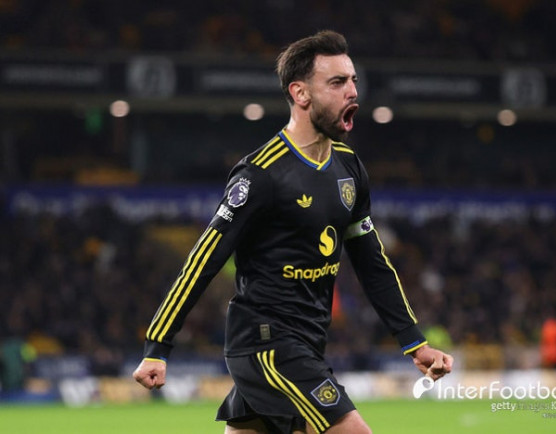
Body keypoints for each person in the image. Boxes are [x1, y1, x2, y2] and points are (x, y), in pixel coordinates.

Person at [133, 30, 453, 434]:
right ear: (300, 93)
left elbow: (372, 263)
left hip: (306, 343)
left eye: (353, 80)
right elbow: (203, 260)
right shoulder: (261, 174)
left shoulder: (349, 167)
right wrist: (158, 345)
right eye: (337, 82)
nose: (352, 91)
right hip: (267, 345)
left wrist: (414, 343)